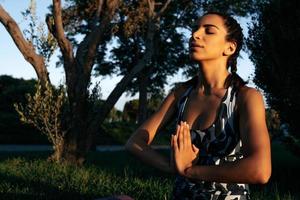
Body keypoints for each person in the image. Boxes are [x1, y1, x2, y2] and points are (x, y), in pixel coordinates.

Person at [125, 11, 271, 200]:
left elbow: (260, 170)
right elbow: (133, 143)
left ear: (230, 48)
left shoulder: (246, 97)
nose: (195, 35)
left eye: (209, 31)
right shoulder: (180, 95)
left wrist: (190, 171)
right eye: (194, 29)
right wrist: (172, 166)